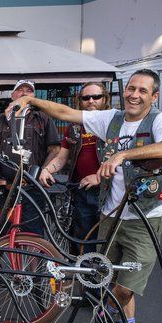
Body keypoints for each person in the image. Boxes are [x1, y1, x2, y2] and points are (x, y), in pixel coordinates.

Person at [8, 69, 162, 323]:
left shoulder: (159, 120)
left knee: (126, 286)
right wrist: (32, 101)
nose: (134, 95)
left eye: (143, 91)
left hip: (144, 217)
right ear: (124, 91)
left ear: (154, 96)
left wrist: (123, 154)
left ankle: (106, 314)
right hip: (110, 215)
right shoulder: (110, 119)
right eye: (131, 89)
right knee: (104, 276)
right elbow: (65, 113)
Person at [0, 80, 61, 235]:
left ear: (33, 96)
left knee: (33, 232)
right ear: (12, 95)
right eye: (20, 90)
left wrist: (43, 170)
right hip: (5, 187)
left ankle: (29, 259)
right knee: (1, 232)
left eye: (29, 90)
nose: (24, 93)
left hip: (32, 187)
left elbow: (55, 149)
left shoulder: (43, 119)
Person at [38, 82, 110, 251]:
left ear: (105, 99)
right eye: (86, 97)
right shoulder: (74, 127)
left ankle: (100, 274)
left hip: (108, 189)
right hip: (81, 188)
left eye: (96, 97)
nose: (91, 101)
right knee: (81, 235)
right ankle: (83, 273)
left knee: (105, 237)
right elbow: (62, 157)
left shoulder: (113, 123)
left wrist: (100, 177)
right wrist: (47, 169)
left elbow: (123, 157)